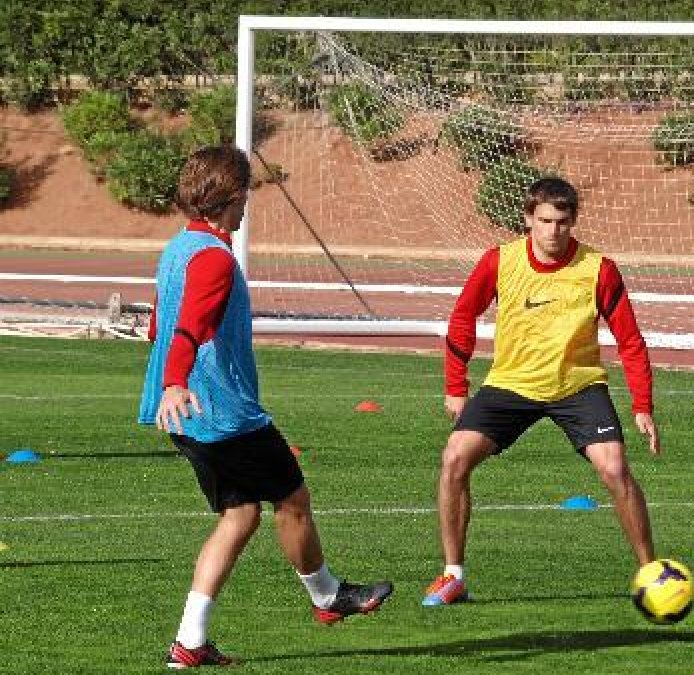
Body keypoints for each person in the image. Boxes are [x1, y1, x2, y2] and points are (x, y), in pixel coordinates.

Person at [139, 146, 392, 668]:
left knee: (240, 515)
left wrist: (172, 383)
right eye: (245, 194)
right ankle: (327, 596)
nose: (247, 205)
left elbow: (158, 325)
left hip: (188, 416)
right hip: (221, 413)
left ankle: (189, 641)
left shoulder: (178, 247)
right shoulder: (214, 258)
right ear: (231, 196)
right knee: (292, 497)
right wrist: (176, 381)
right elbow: (189, 326)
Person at [422, 177, 661, 606]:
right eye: (545, 221)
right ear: (528, 218)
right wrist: (456, 386)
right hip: (510, 384)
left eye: (562, 222)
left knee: (614, 469)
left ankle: (651, 573)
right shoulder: (499, 261)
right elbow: (462, 317)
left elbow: (630, 340)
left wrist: (642, 404)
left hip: (578, 386)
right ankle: (453, 575)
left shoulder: (599, 269)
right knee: (454, 459)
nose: (553, 231)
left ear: (573, 221)